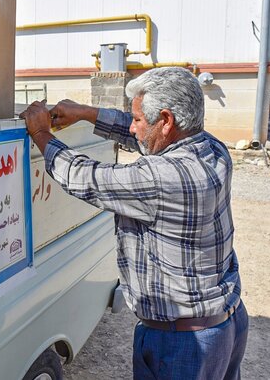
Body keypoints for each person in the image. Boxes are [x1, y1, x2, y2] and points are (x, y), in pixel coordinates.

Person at [19, 67, 248, 380]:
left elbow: (83, 177)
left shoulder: (161, 178)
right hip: (224, 324)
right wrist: (86, 113)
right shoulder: (211, 147)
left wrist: (41, 133)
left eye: (139, 118)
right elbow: (142, 134)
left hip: (183, 343)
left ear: (166, 120)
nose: (135, 127)